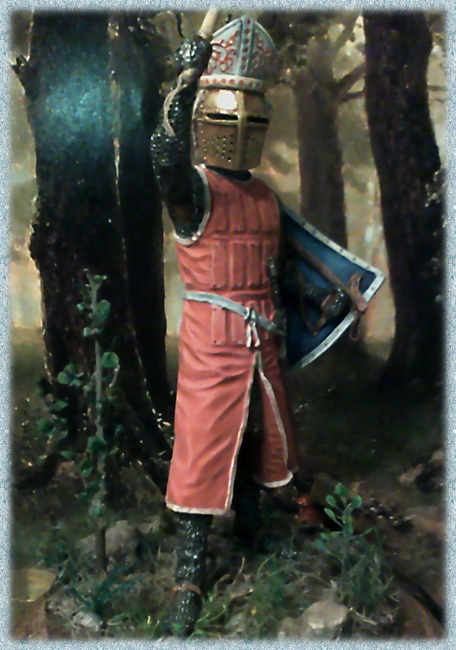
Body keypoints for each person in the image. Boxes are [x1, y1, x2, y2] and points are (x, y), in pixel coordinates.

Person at [150, 15, 351, 635]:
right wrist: (185, 80)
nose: (238, 131)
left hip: (263, 340)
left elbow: (278, 267)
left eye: (250, 121)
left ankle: (253, 528)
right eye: (225, 119)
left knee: (263, 437)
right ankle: (189, 574)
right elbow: (162, 155)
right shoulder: (193, 192)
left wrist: (318, 300)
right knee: (203, 448)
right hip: (213, 342)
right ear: (205, 123)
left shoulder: (264, 197)